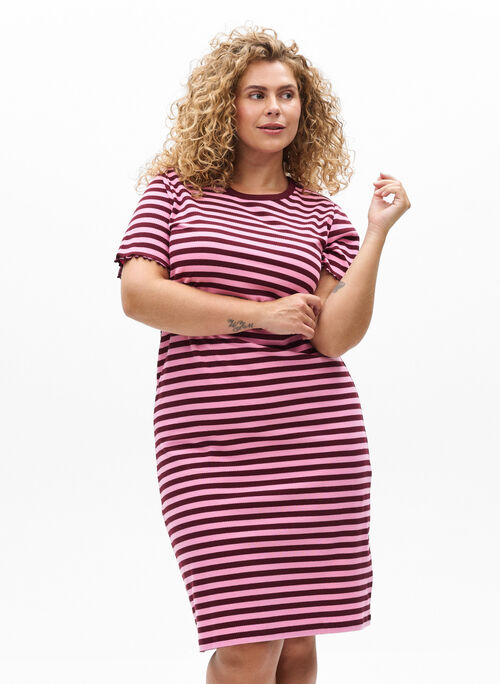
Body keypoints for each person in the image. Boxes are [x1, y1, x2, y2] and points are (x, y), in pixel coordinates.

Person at [113, 24, 410, 684]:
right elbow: (138, 295)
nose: (275, 108)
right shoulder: (173, 192)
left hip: (314, 445)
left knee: (298, 643)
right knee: (247, 644)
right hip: (206, 447)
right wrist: (258, 314)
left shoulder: (322, 216)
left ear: (305, 109)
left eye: (287, 94)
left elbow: (334, 336)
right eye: (257, 94)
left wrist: (375, 236)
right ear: (227, 105)